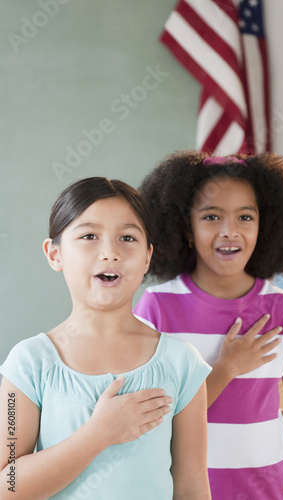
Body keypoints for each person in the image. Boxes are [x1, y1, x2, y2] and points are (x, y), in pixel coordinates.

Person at [0, 177, 212, 500]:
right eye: (89, 236)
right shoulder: (28, 363)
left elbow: (193, 486)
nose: (110, 252)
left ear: (146, 258)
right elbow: (7, 485)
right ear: (54, 254)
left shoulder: (182, 364)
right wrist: (98, 435)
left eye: (127, 238)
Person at [134, 151, 283, 500]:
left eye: (245, 217)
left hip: (265, 490)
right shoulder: (157, 308)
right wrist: (227, 367)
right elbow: (152, 420)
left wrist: (252, 429)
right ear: (186, 229)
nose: (229, 231)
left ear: (263, 227)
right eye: (211, 216)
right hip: (182, 490)